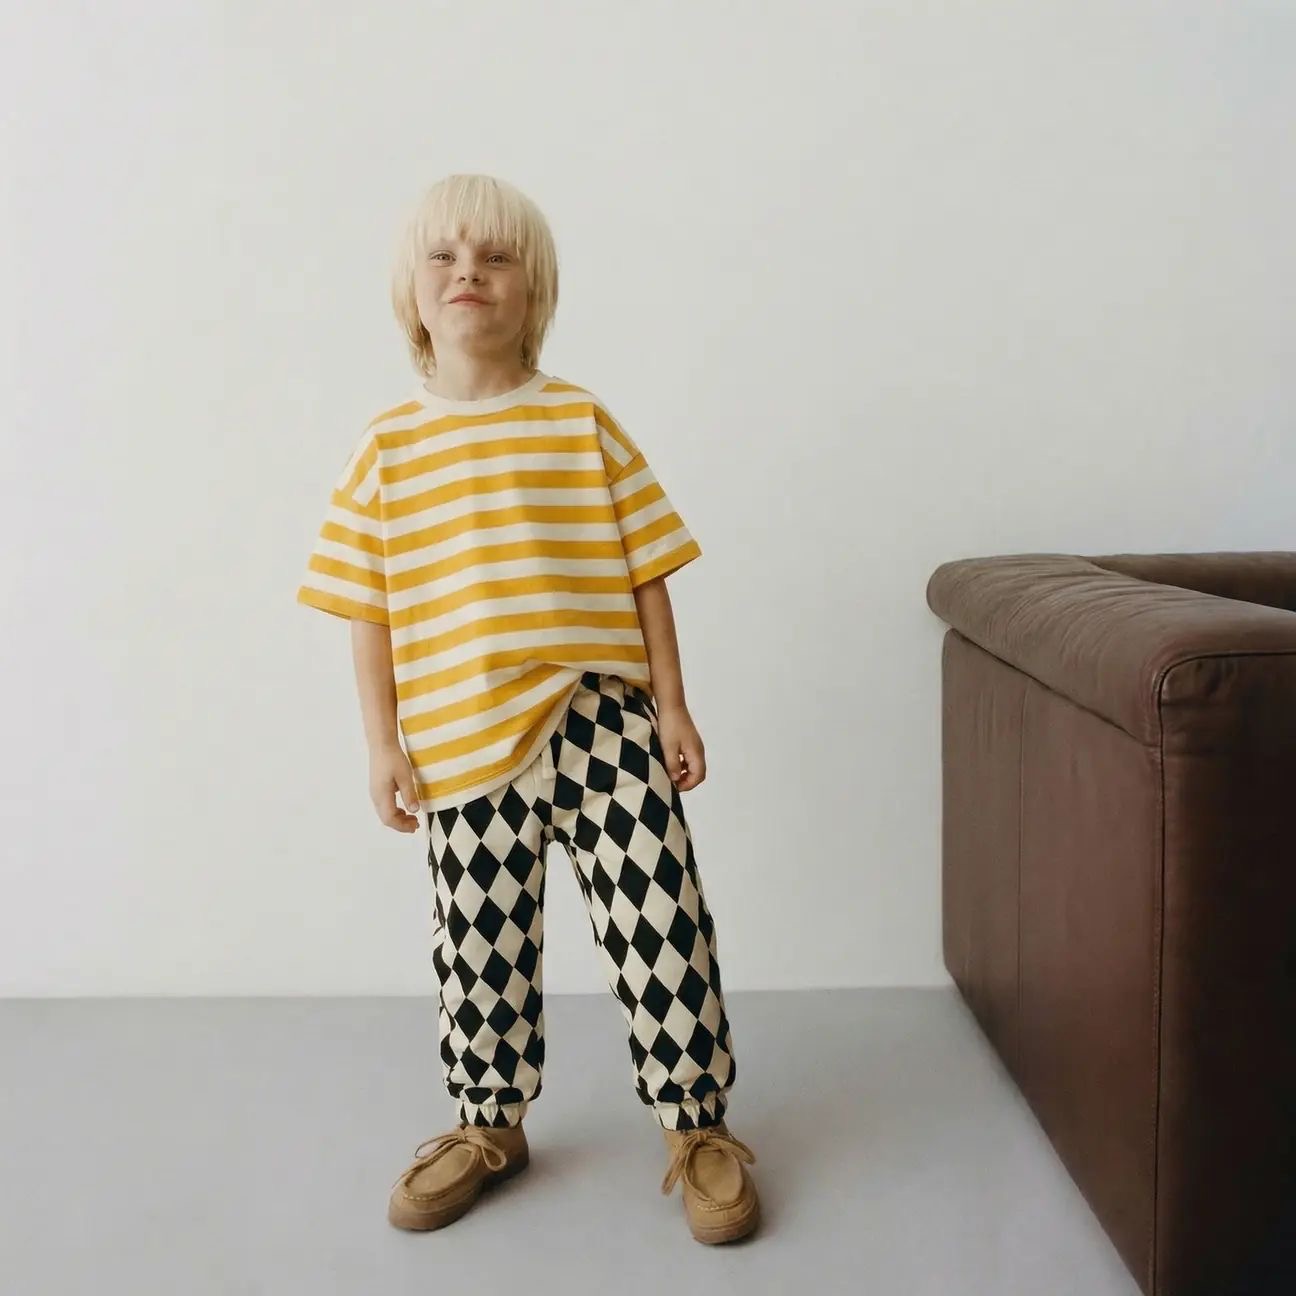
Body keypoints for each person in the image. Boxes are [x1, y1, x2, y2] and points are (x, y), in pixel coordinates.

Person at [295, 173, 759, 1244]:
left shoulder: (581, 422)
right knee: (479, 942)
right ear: (413, 293)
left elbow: (648, 571)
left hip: (604, 720)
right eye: (445, 257)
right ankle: (489, 1124)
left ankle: (697, 1125)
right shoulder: (387, 448)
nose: (470, 273)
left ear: (533, 291)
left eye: (496, 257)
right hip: (461, 740)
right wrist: (381, 745)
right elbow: (366, 608)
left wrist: (673, 706)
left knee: (662, 921)